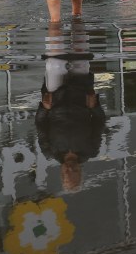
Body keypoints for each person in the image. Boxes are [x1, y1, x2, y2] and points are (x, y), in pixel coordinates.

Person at [35, 23, 105, 192]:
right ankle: (78, 21)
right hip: (80, 96)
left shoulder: (49, 151)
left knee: (53, 62)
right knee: (81, 55)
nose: (70, 169)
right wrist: (94, 106)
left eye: (67, 173)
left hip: (55, 98)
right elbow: (99, 123)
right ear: (81, 171)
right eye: (74, 172)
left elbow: (40, 125)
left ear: (61, 173)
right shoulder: (91, 150)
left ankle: (54, 23)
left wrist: (44, 108)